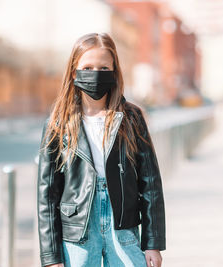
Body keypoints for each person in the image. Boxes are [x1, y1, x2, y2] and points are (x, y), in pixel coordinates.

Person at [37, 32, 165, 267]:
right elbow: (47, 195)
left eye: (104, 69)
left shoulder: (132, 118)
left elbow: (151, 184)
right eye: (87, 67)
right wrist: (51, 256)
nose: (95, 74)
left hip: (123, 227)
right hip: (77, 231)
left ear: (115, 72)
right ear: (74, 72)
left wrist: (153, 243)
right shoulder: (58, 122)